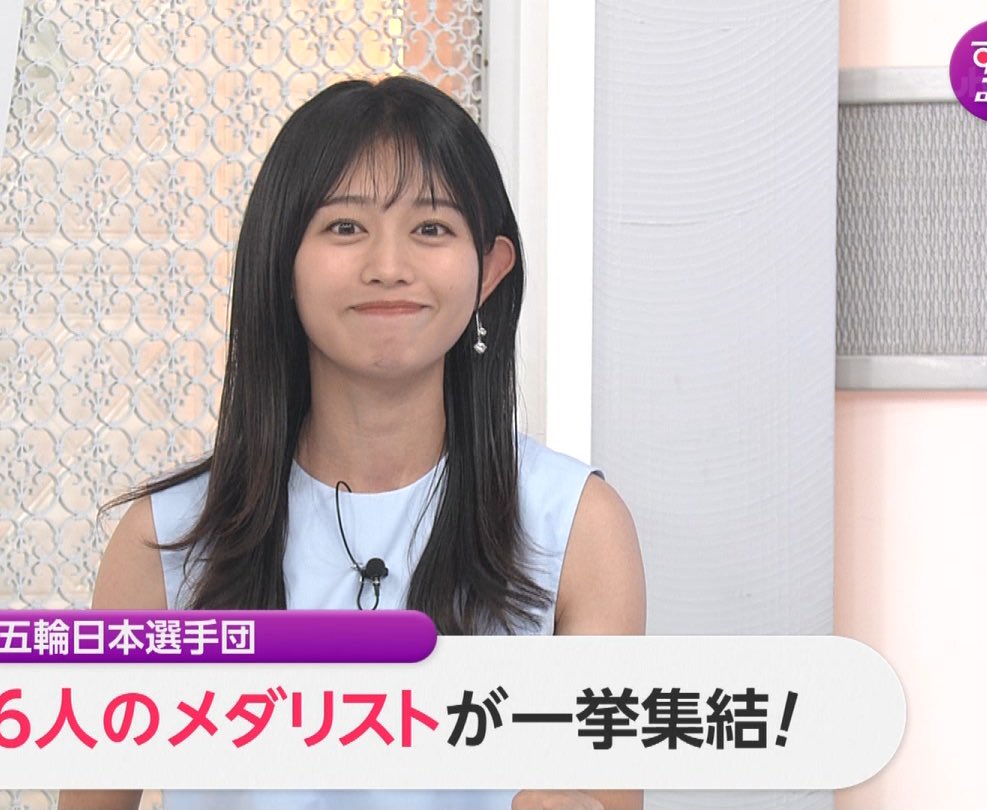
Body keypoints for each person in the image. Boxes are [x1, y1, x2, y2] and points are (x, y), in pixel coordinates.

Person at [60, 76, 645, 810]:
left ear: (490, 271)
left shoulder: (577, 528)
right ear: (282, 261)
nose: (388, 266)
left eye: (431, 228)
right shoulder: (166, 542)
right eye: (344, 227)